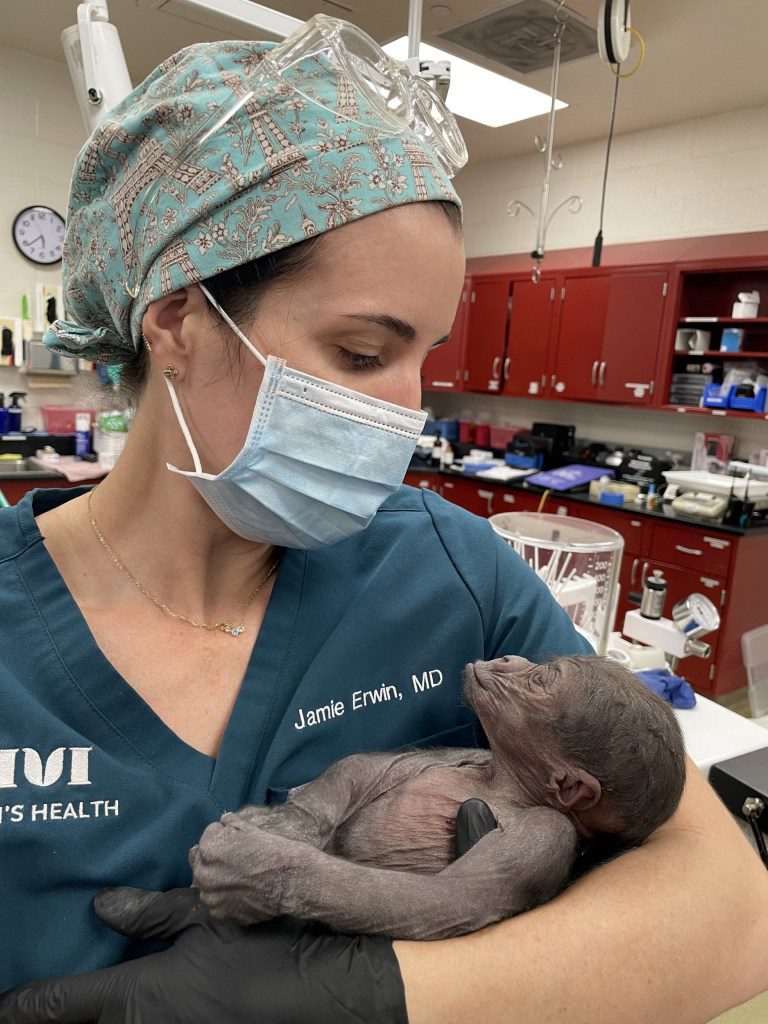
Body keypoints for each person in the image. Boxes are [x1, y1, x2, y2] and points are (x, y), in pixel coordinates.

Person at [1, 15, 767, 1024]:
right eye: (364, 354)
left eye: (426, 358)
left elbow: (733, 910)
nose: (408, 412)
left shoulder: (451, 569)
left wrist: (378, 994)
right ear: (177, 322)